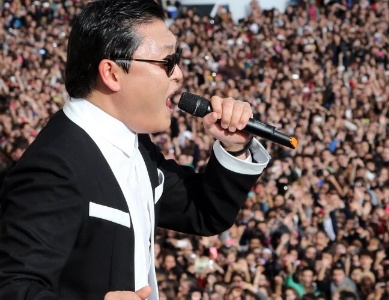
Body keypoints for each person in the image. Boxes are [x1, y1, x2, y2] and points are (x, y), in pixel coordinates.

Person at [0, 0, 270, 299]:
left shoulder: (135, 143)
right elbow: (13, 286)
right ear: (112, 73)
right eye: (168, 62)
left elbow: (203, 211)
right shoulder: (54, 167)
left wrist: (234, 147)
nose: (178, 73)